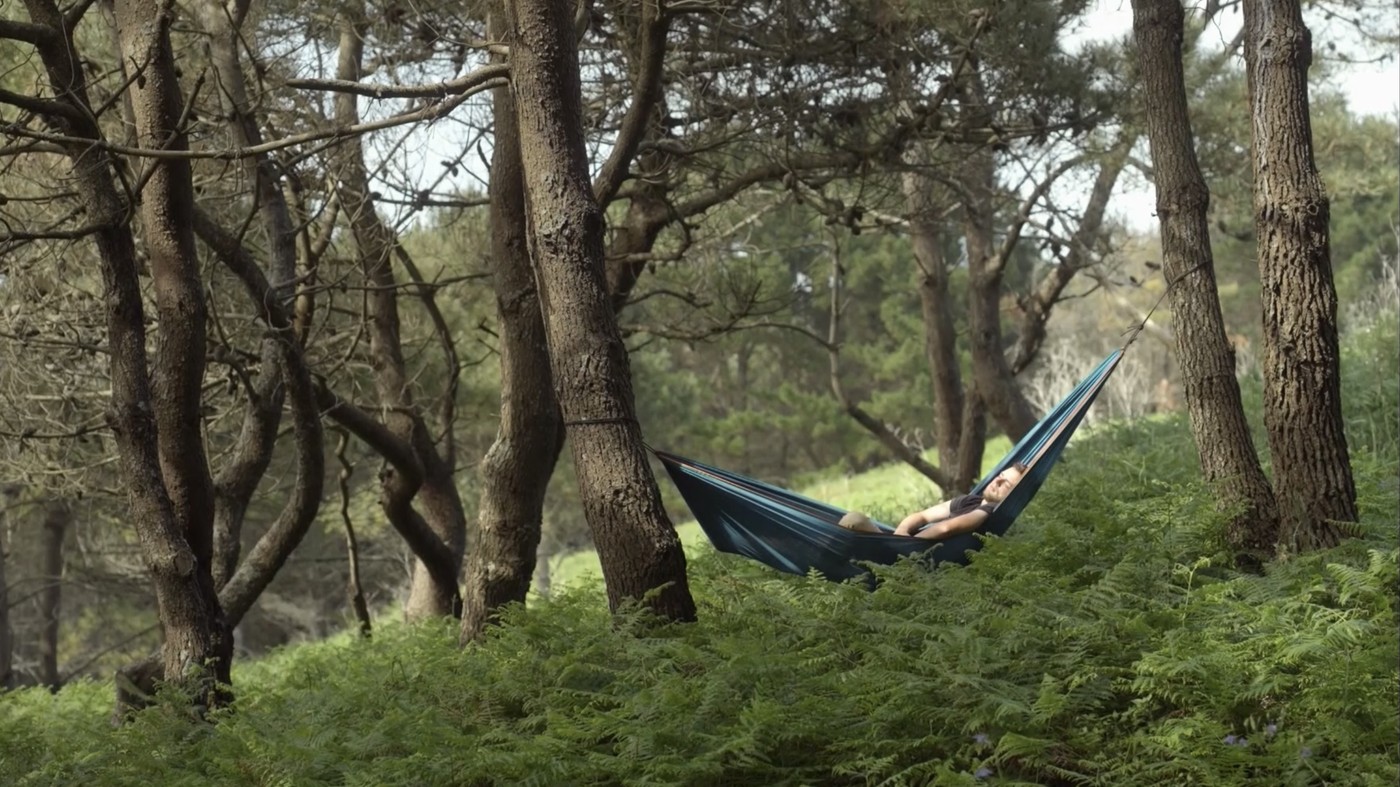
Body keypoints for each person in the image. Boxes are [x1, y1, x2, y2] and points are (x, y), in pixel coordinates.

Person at [891, 462, 1028, 540]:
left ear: (1014, 495)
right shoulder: (971, 500)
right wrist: (901, 532)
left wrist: (908, 544)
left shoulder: (990, 510)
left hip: (912, 553)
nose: (997, 481)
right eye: (1000, 475)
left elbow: (946, 529)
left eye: (1005, 484)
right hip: (903, 542)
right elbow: (923, 515)